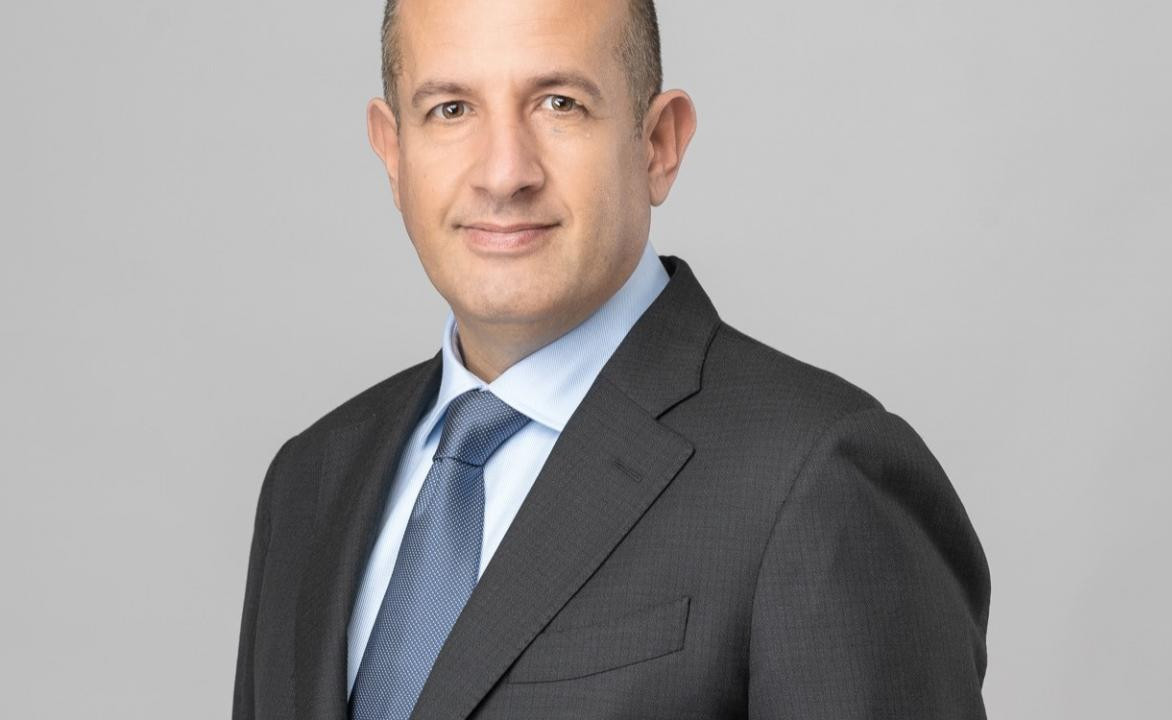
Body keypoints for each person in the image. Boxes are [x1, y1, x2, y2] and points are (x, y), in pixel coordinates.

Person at [231, 0, 991, 718]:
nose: (504, 173)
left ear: (659, 144)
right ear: (393, 152)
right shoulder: (309, 481)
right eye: (451, 110)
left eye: (559, 103)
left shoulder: (816, 476)